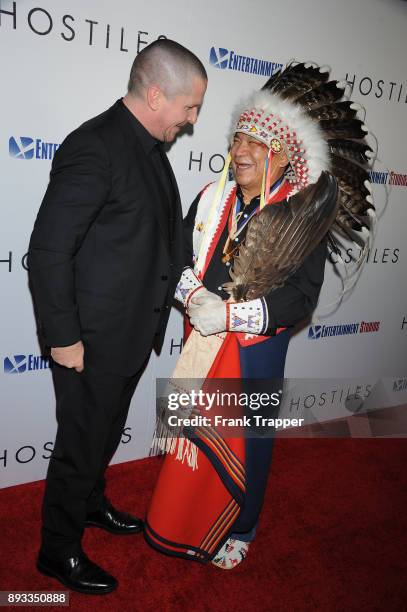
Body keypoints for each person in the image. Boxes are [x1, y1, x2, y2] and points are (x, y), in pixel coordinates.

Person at [145, 62, 374, 569]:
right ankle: (188, 515)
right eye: (238, 140)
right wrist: (192, 294)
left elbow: (300, 299)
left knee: (249, 441)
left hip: (256, 353)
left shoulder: (300, 214)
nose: (241, 152)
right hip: (201, 342)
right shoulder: (212, 200)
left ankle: (242, 529)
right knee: (195, 434)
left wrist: (231, 315)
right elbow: (176, 254)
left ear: (282, 154)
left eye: (255, 143)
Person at [28, 39, 207, 594]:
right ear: (157, 95)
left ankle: (89, 505)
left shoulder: (149, 146)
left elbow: (153, 236)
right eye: (190, 107)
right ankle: (56, 551)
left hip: (129, 336)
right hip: (89, 342)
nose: (192, 120)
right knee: (80, 444)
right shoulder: (96, 146)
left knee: (102, 438)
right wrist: (63, 340)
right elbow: (50, 251)